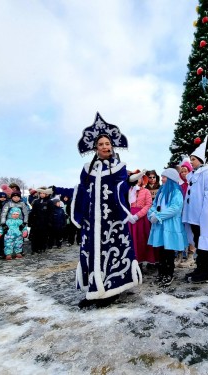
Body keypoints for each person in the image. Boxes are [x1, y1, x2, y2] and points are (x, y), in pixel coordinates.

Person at [72, 113, 142, 308]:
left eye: (107, 143)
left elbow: (120, 187)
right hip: (91, 222)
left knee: (112, 253)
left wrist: (128, 181)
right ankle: (93, 291)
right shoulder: (87, 169)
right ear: (96, 147)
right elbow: (82, 189)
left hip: (112, 222)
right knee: (91, 254)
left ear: (112, 146)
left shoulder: (119, 167)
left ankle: (111, 290)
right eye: (101, 144)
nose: (105, 146)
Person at [182, 135, 208, 284]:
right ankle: (200, 268)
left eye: (193, 159)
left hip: (201, 217)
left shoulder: (207, 173)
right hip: (193, 217)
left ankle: (205, 273)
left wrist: (206, 215)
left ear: (200, 160)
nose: (190, 162)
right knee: (199, 244)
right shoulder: (193, 175)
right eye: (190, 159)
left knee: (204, 243)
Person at [147, 168, 188, 287]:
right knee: (160, 251)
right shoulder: (161, 191)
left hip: (170, 225)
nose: (162, 179)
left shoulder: (176, 192)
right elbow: (154, 205)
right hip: (160, 226)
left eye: (164, 177)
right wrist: (151, 214)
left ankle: (169, 273)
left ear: (170, 178)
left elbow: (175, 209)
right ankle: (161, 272)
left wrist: (158, 216)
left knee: (168, 251)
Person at [127, 171, 157, 268]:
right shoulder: (129, 191)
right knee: (133, 240)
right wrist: (129, 215)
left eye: (140, 177)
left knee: (142, 239)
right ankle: (136, 262)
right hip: (130, 219)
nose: (138, 180)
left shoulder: (146, 191)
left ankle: (147, 260)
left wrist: (137, 215)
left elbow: (148, 205)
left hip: (142, 219)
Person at [29, 187, 54, 253]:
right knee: (35, 235)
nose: (42, 195)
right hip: (36, 222)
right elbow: (33, 211)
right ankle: (34, 248)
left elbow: (51, 212)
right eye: (41, 193)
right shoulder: (36, 201)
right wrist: (30, 220)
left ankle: (42, 248)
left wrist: (49, 221)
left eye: (44, 193)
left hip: (45, 222)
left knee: (43, 236)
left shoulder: (50, 202)